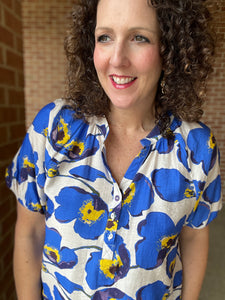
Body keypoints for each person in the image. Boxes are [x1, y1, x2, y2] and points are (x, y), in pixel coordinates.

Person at [6, 0, 222, 299]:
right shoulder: (53, 128)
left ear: (170, 49)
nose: (117, 59)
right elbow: (29, 233)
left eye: (139, 37)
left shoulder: (195, 147)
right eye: (104, 37)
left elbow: (194, 236)